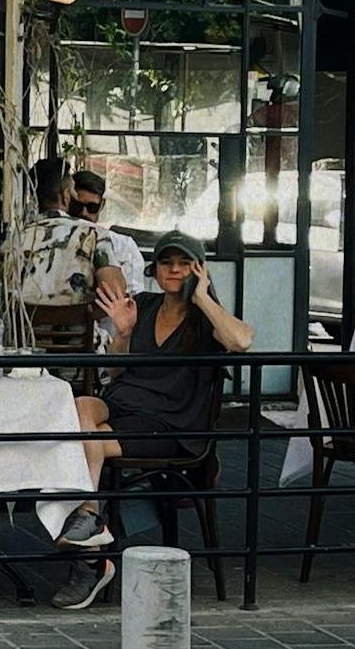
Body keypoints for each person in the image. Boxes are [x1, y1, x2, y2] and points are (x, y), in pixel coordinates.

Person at [47, 230, 254, 610]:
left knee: (82, 444)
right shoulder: (141, 304)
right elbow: (116, 371)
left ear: (198, 268)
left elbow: (241, 342)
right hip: (126, 409)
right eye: (166, 263)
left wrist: (202, 297)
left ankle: (90, 558)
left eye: (182, 263)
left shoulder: (205, 317)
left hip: (171, 425)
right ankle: (90, 520)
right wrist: (123, 333)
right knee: (79, 410)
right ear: (155, 269)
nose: (173, 270)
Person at [19, 157, 133, 306]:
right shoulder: (94, 235)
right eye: (73, 191)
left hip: (24, 329)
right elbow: (116, 293)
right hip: (80, 327)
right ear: (65, 196)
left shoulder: (15, 240)